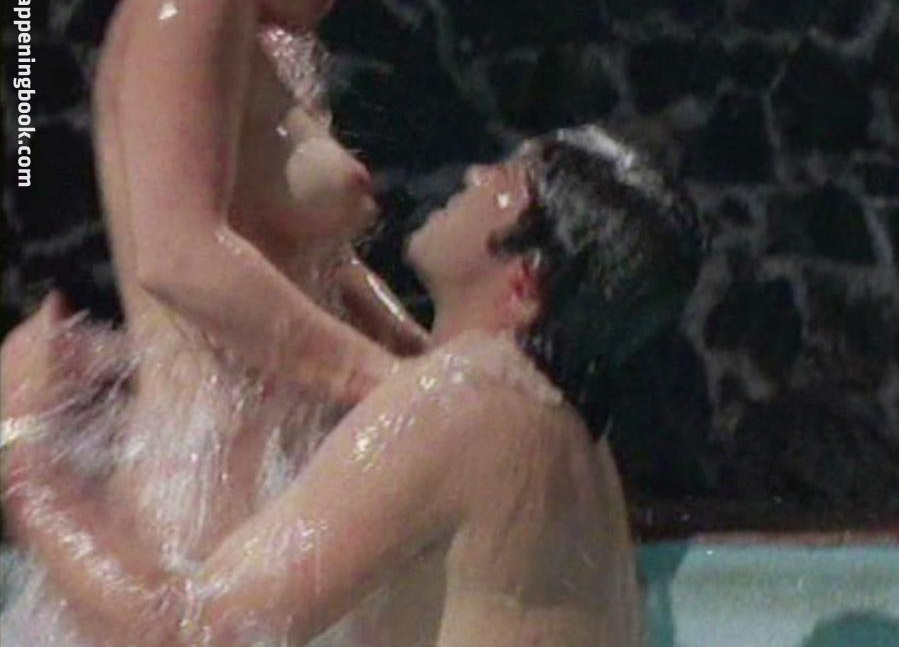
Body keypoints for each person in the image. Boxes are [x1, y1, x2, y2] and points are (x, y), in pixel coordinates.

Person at [2, 124, 702, 647]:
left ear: (523, 284)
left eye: (507, 181)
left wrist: (28, 458)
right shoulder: (577, 445)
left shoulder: (461, 405)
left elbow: (191, 632)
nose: (475, 172)